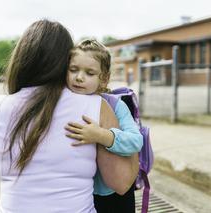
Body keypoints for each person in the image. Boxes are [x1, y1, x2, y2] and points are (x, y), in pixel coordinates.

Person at [0, 19, 139, 213]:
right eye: (74, 68)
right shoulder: (95, 105)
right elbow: (121, 182)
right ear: (64, 61)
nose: (79, 76)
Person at [64, 39, 143, 213]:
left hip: (113, 194)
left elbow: (136, 141)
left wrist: (101, 135)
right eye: (73, 70)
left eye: (89, 73)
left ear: (104, 78)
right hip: (82, 191)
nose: (79, 77)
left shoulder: (115, 105)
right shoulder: (64, 103)